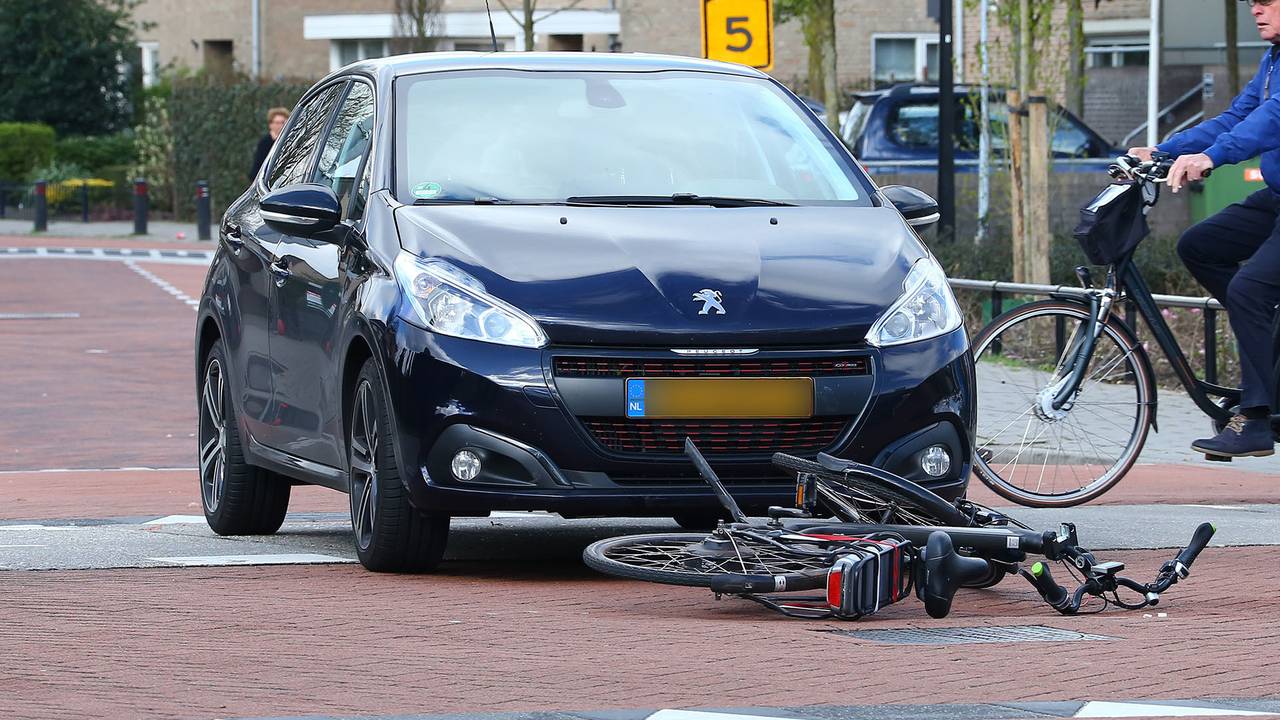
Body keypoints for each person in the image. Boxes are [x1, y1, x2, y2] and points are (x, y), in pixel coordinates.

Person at [1127, 0, 1280, 457]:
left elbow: (1272, 119)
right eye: (1250, 2)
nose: (1255, 9)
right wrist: (1164, 150)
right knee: (1200, 245)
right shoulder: (1273, 59)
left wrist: (1213, 156)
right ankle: (1267, 349)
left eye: (1266, 0)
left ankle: (1255, 420)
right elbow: (1236, 118)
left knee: (1249, 291)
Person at [252, 107, 290, 178]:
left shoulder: (290, 140)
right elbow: (257, 168)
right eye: (277, 123)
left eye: (283, 122)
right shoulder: (264, 143)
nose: (280, 126)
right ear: (271, 124)